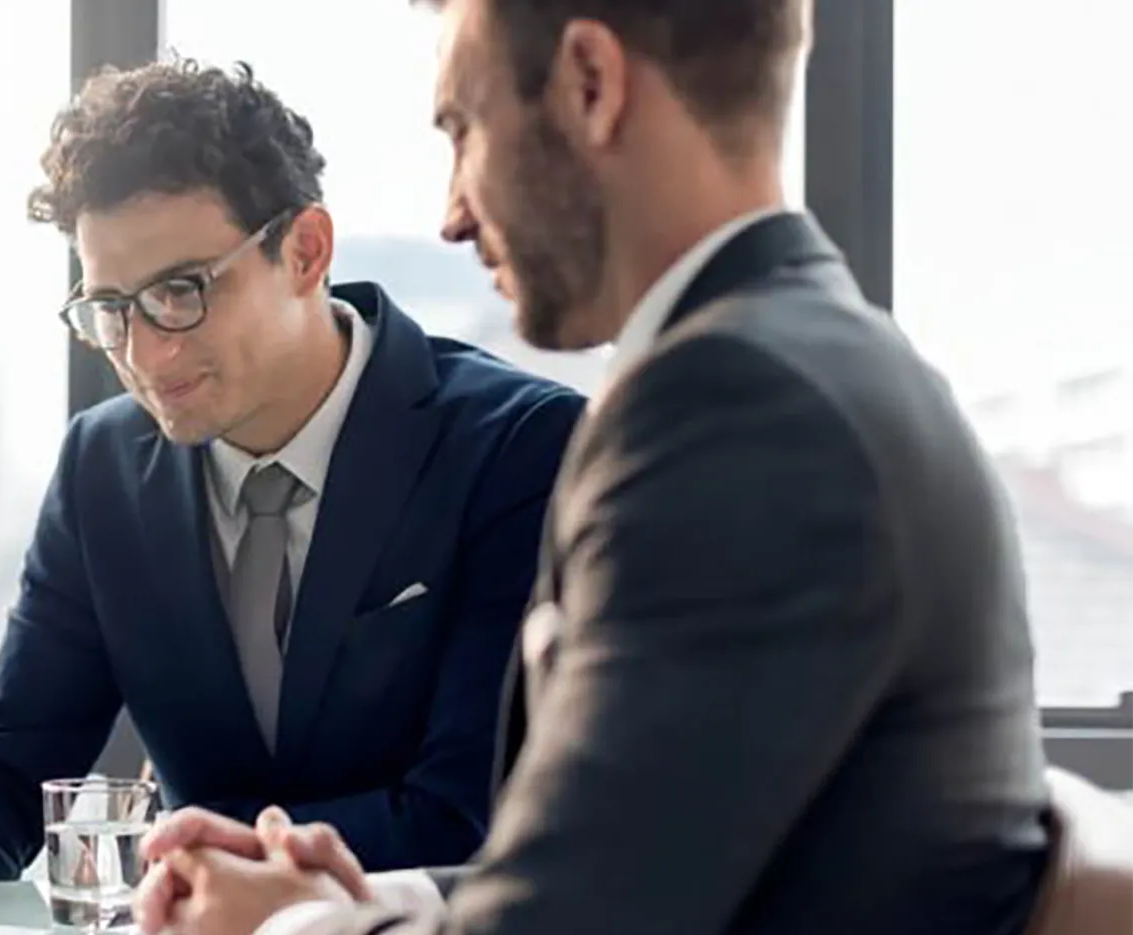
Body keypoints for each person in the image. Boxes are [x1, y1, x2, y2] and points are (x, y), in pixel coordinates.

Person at [130, 2, 1055, 934]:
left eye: (464, 129)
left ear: (589, 85)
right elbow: (634, 860)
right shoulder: (816, 362)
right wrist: (360, 899)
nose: (453, 214)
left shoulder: (735, 409)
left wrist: (283, 930)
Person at [0, 57, 585, 906]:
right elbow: (8, 763)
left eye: (182, 292)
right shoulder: (102, 468)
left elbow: (474, 817)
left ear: (305, 250)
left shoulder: (519, 448)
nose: (147, 354)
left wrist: (231, 872)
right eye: (111, 308)